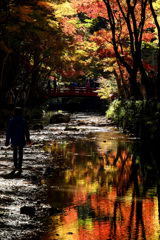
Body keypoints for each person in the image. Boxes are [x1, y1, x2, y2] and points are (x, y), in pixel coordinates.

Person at [5, 107, 31, 171]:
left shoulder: (11, 120)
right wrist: (28, 139)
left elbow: (9, 131)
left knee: (15, 152)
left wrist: (7, 141)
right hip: (21, 139)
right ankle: (20, 166)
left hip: (14, 139)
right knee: (20, 152)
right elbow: (26, 131)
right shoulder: (23, 120)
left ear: (14, 113)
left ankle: (16, 165)